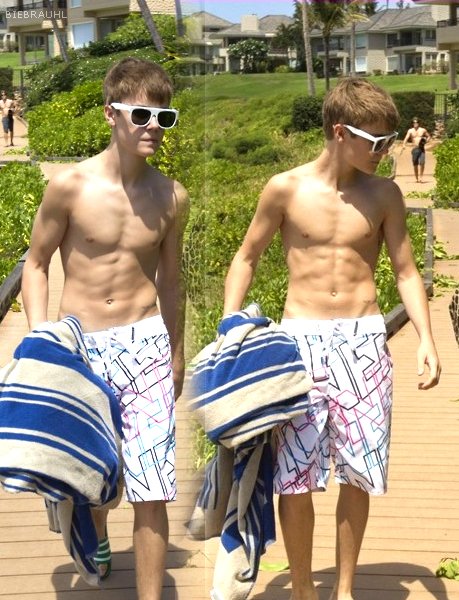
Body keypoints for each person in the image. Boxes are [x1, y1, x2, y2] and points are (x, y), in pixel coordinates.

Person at [223, 78, 441, 600]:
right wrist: (229, 326)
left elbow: (406, 271)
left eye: (390, 141)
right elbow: (247, 256)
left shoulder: (384, 194)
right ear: (340, 132)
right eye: (376, 141)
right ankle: (303, 589)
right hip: (300, 341)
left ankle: (343, 589)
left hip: (364, 343)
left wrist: (427, 338)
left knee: (359, 472)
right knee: (294, 475)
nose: (385, 151)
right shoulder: (285, 188)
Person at [21, 57, 189, 600]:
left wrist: (177, 355)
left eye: (164, 117)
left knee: (153, 486)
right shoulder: (69, 186)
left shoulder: (172, 197)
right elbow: (36, 264)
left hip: (146, 345)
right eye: (141, 114)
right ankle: (91, 521)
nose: (153, 126)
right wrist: (40, 340)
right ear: (110, 114)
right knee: (99, 478)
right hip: (82, 346)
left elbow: (171, 283)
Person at [402, 117, 431, 183]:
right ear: (412, 123)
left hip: (421, 148)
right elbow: (406, 138)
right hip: (415, 149)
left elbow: (429, 136)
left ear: (419, 123)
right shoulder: (410, 131)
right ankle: (416, 177)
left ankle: (421, 177)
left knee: (422, 162)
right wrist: (404, 144)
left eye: (416, 122)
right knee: (415, 163)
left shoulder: (423, 130)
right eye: (414, 122)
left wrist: (426, 141)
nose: (415, 124)